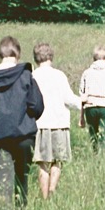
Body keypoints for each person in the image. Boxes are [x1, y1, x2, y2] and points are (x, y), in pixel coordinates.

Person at [0, 36, 44, 210]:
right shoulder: (26, 76)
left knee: (3, 183)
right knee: (22, 178)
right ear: (18, 54)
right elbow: (37, 106)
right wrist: (26, 119)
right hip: (24, 136)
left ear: (0, 54)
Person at [31, 43, 81, 199]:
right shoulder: (59, 75)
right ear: (51, 56)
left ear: (36, 58)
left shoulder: (32, 76)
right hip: (60, 124)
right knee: (57, 161)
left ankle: (44, 196)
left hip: (40, 125)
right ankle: (52, 189)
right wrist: (83, 102)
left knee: (43, 163)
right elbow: (69, 99)